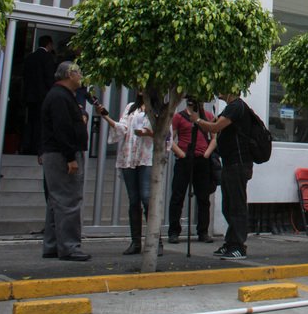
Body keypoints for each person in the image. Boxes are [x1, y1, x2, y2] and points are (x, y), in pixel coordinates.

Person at [40, 61, 92, 261]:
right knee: (69, 200)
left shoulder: (59, 95)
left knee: (57, 201)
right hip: (62, 154)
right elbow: (62, 128)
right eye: (78, 72)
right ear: (70, 74)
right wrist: (70, 157)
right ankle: (70, 247)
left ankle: (53, 245)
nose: (81, 76)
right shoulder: (60, 97)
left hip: (56, 152)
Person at [101, 92, 164, 256]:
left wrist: (148, 133)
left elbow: (165, 134)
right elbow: (122, 128)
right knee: (133, 200)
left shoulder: (159, 109)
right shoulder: (131, 107)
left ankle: (156, 240)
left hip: (147, 156)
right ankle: (135, 242)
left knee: (146, 197)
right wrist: (106, 117)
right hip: (129, 156)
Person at [190, 92, 251, 260]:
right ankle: (231, 243)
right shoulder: (230, 108)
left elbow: (214, 128)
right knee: (228, 206)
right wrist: (201, 111)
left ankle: (238, 246)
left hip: (238, 163)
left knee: (236, 206)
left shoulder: (237, 106)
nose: (219, 91)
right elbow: (213, 126)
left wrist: (196, 119)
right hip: (230, 162)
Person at [168, 97, 215, 244]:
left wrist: (207, 153)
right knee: (177, 196)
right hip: (184, 159)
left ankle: (203, 231)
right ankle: (174, 231)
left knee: (203, 198)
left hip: (202, 159)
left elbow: (214, 137)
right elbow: (169, 138)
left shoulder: (208, 116)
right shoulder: (179, 117)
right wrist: (180, 153)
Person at [22, 35, 55, 155]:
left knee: (30, 121)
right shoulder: (48, 58)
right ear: (49, 44)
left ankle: (27, 146)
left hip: (30, 96)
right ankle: (38, 147)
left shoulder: (30, 57)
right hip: (43, 96)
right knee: (41, 123)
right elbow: (49, 78)